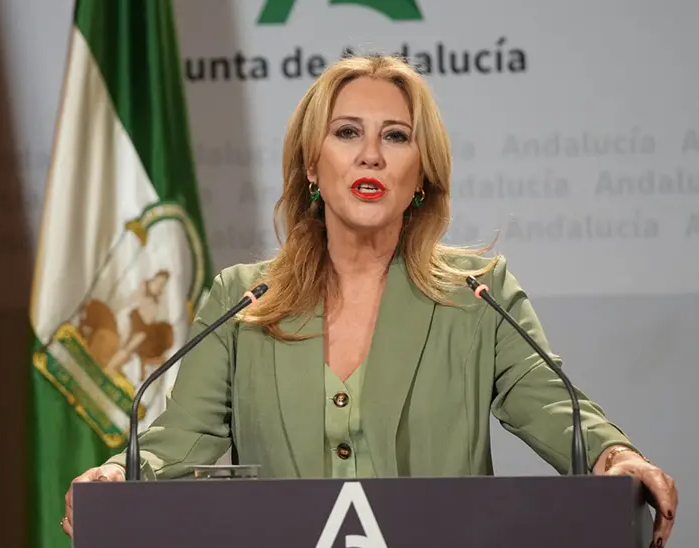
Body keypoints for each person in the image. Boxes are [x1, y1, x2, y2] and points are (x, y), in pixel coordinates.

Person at [62, 55, 678, 546]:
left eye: (396, 137)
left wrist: (615, 455)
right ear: (312, 164)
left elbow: (552, 407)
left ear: (422, 172)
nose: (371, 155)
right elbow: (181, 438)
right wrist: (117, 473)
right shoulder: (244, 301)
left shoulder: (478, 296)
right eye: (347, 132)